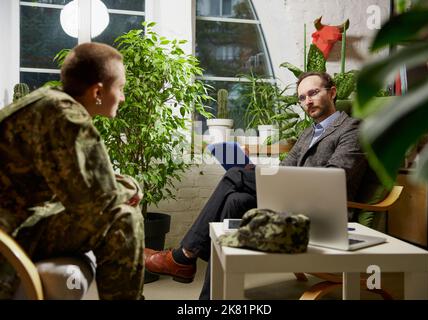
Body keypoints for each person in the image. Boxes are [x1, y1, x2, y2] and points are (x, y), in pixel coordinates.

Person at [144, 71, 368, 299]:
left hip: (324, 213)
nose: (307, 101)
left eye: (313, 93)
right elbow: (287, 169)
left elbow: (335, 178)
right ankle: (210, 298)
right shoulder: (308, 132)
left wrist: (259, 176)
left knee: (235, 176)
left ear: (332, 92)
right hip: (293, 203)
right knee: (235, 199)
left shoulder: (352, 128)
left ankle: (185, 255)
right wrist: (258, 172)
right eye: (302, 98)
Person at [0, 42, 145, 300]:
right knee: (124, 218)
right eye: (120, 88)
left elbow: (82, 184)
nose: (122, 97)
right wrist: (132, 189)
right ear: (98, 91)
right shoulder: (66, 117)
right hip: (9, 236)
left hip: (19, 223)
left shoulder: (50, 102)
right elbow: (98, 203)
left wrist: (123, 187)